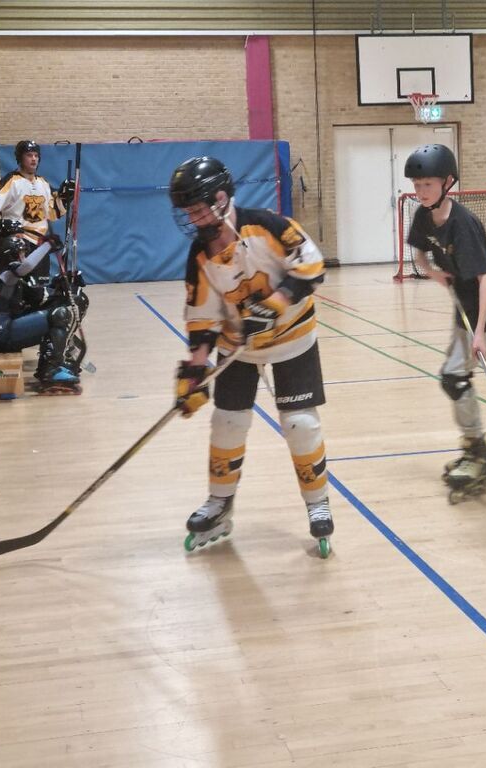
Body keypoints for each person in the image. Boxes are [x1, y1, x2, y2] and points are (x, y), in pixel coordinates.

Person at [169, 156, 334, 556]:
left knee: (299, 424)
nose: (191, 218)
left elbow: (312, 265)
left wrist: (274, 305)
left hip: (292, 337)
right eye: (187, 212)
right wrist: (194, 370)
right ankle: (220, 503)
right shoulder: (200, 256)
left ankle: (318, 503)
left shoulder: (267, 225)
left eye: (196, 209)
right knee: (226, 422)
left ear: (221, 199)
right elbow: (203, 317)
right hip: (238, 347)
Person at [403, 144, 486, 495]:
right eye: (417, 185)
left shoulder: (463, 223)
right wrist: (433, 273)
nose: (421, 192)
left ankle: (478, 452)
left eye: (428, 185)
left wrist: (479, 334)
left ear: (447, 183)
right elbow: (419, 252)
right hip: (463, 300)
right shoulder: (423, 215)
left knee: (455, 378)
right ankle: (474, 448)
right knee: (453, 376)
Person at [0, 219, 89, 394]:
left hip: (6, 325)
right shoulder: (5, 274)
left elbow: (34, 294)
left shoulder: (6, 273)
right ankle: (51, 370)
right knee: (59, 315)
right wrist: (47, 245)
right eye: (21, 253)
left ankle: (54, 361)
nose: (24, 257)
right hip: (2, 332)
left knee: (58, 311)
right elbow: (26, 267)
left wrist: (58, 285)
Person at [0, 140, 75, 278]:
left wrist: (65, 198)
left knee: (39, 285)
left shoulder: (43, 183)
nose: (34, 159)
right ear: (20, 158)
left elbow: (52, 213)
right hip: (19, 242)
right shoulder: (12, 181)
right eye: (29, 155)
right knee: (20, 285)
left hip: (40, 245)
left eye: (36, 155)